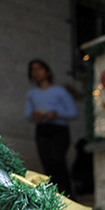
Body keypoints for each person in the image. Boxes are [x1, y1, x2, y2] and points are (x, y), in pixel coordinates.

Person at [24, 59, 78, 197]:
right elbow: (27, 113)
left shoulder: (59, 91)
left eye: (39, 69)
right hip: (42, 130)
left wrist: (56, 114)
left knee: (58, 161)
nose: (36, 73)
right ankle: (54, 199)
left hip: (59, 130)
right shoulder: (32, 93)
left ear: (47, 72)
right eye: (33, 70)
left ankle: (68, 196)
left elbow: (73, 112)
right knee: (47, 165)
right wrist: (35, 115)